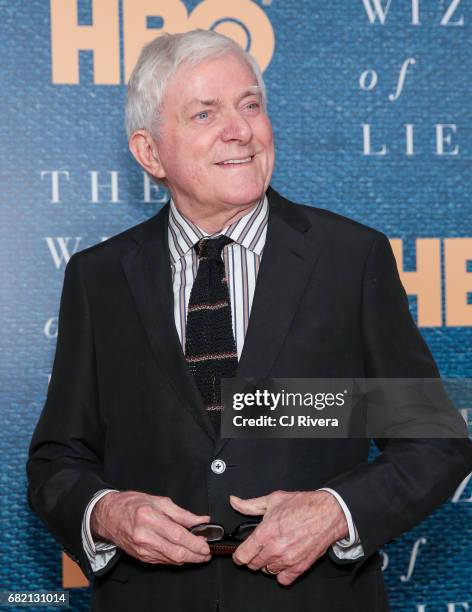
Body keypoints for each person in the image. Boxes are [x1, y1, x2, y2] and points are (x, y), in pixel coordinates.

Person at [27, 29, 472, 612]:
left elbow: (433, 442)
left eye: (250, 105)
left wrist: (335, 512)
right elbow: (55, 461)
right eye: (204, 113)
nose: (240, 129)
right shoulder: (99, 278)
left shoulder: (349, 258)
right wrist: (105, 512)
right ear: (150, 152)